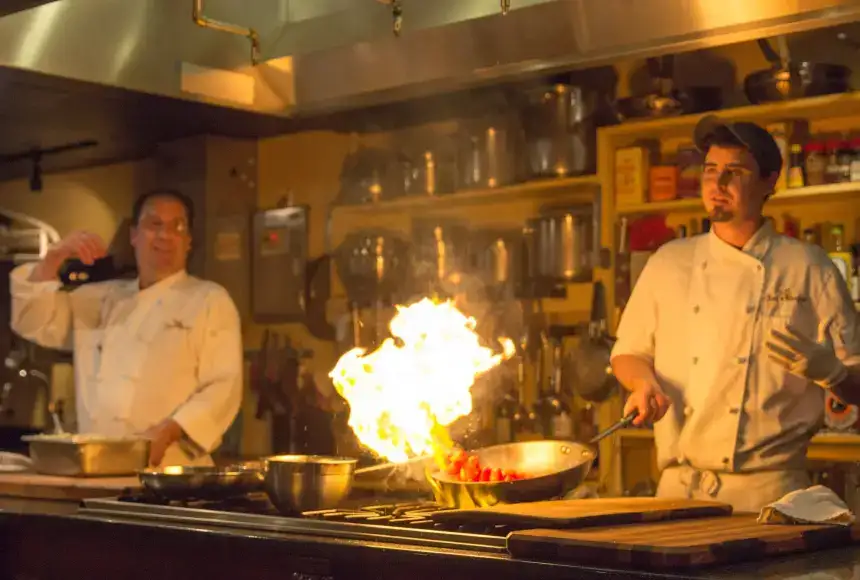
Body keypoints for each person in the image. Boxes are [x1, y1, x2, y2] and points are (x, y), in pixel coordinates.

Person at [611, 115, 860, 513]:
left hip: (770, 496)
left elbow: (858, 385)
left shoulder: (808, 266)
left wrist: (833, 373)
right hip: (678, 492)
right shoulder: (668, 263)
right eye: (710, 171)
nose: (718, 184)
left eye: (735, 172)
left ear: (769, 181)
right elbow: (629, 351)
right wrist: (642, 385)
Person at [10, 189, 243, 467]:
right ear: (134, 235)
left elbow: (223, 386)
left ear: (188, 241)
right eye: (154, 224)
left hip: (173, 471)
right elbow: (32, 321)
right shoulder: (98, 299)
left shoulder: (209, 300)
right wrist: (54, 257)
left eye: (177, 226)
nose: (165, 235)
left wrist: (168, 431)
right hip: (97, 467)